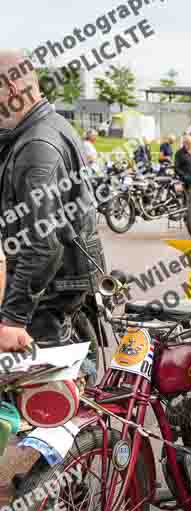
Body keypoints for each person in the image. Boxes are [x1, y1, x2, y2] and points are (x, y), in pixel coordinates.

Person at [0, 49, 106, 350]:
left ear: (10, 89)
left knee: (44, 375)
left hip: (47, 296)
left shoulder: (37, 145)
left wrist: (14, 319)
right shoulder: (48, 125)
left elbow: (43, 244)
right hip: (62, 285)